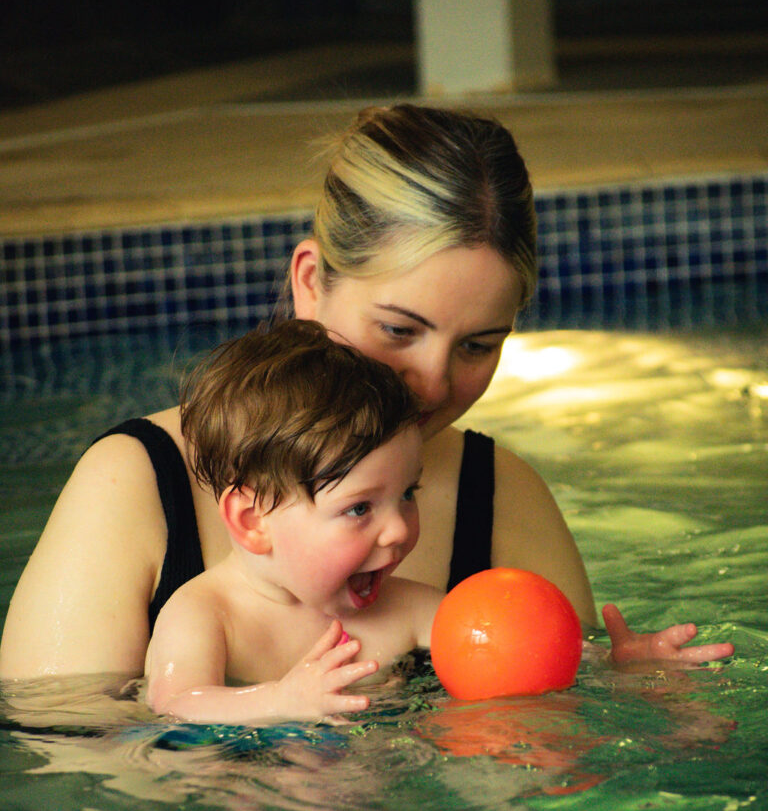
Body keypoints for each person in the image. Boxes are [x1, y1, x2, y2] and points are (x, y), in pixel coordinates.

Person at [0, 104, 733, 680]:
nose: (432, 382)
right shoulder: (137, 482)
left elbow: (558, 731)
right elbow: (66, 770)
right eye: (398, 328)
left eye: (479, 345)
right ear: (311, 283)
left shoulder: (500, 496)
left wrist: (635, 689)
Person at [145, 319, 442, 723]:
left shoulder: (410, 610)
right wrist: (279, 702)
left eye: (408, 493)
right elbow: (175, 703)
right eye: (359, 508)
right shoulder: (206, 616)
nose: (400, 529)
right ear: (253, 521)